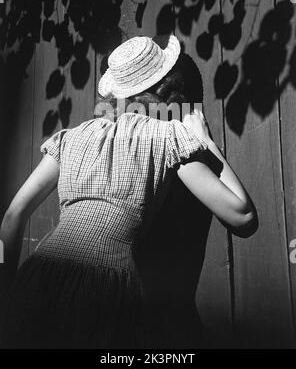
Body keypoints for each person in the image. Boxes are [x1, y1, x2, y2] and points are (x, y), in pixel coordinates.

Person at [0, 34, 258, 349]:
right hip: (103, 292)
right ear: (167, 91)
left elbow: (13, 215)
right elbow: (243, 216)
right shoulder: (169, 137)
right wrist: (203, 138)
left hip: (39, 278)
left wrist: (7, 288)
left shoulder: (71, 137)